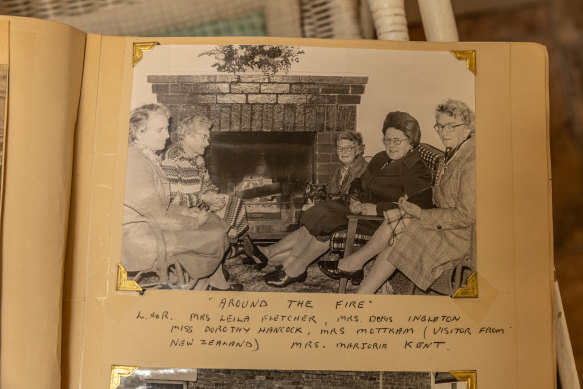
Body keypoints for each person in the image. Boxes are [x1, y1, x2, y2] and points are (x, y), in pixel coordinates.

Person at [255, 111, 433, 288]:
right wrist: (355, 199)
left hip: (378, 221)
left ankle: (295, 267)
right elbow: (358, 182)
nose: (391, 146)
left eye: (397, 141)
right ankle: (290, 264)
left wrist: (378, 208)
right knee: (322, 209)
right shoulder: (381, 158)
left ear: (411, 142)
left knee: (328, 218)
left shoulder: (417, 169)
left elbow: (418, 206)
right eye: (387, 140)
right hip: (358, 208)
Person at [319, 99, 476, 295]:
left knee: (400, 233)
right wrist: (411, 203)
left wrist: (421, 213)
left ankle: (354, 270)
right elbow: (444, 193)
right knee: (398, 218)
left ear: (468, 127)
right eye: (440, 126)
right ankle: (358, 284)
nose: (444, 132)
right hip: (445, 224)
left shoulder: (472, 161)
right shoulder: (451, 155)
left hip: (460, 237)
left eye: (451, 126)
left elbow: (467, 216)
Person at [121, 104, 241, 291]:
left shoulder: (146, 157)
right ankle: (204, 285)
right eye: (160, 130)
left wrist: (185, 211)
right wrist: (193, 222)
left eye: (166, 129)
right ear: (139, 132)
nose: (167, 136)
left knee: (214, 222)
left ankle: (212, 282)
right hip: (143, 239)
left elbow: (158, 205)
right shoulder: (136, 163)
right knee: (215, 232)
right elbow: (157, 216)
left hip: (152, 228)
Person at [161, 115, 251, 249]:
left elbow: (208, 185)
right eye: (203, 137)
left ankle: (232, 247)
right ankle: (228, 249)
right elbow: (171, 200)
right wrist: (203, 199)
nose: (207, 143)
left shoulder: (198, 159)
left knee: (233, 202)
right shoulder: (171, 160)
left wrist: (214, 199)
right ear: (187, 135)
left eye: (207, 138)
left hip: (200, 205)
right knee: (224, 213)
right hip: (181, 213)